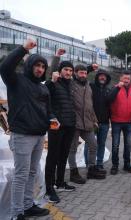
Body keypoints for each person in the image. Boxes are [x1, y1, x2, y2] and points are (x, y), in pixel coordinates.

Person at [0, 39, 59, 220]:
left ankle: (27, 205)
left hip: (39, 135)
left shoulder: (42, 88)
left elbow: (48, 110)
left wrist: (53, 119)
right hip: (22, 135)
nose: (40, 69)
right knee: (21, 174)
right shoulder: (16, 80)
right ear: (29, 65)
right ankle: (17, 213)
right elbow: (4, 67)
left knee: (32, 173)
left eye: (43, 66)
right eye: (37, 65)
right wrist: (24, 49)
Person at [44, 49, 76, 203]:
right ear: (60, 71)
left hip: (70, 125)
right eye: (66, 69)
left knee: (63, 155)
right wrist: (56, 57)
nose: (69, 72)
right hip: (56, 126)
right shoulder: (53, 83)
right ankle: (49, 189)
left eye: (71, 70)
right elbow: (45, 89)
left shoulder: (71, 85)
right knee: (52, 157)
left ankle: (60, 182)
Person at [68, 64, 106, 183]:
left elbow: (90, 106)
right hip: (75, 123)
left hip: (87, 122)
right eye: (81, 73)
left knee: (93, 145)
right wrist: (90, 67)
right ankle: (73, 173)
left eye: (85, 73)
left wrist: (94, 120)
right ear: (75, 73)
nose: (83, 75)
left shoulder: (88, 86)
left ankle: (91, 169)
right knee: (72, 149)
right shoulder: (71, 84)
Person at [108, 71, 131, 175]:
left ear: (130, 79)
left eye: (128, 78)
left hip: (129, 122)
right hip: (116, 122)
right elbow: (109, 99)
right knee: (115, 145)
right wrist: (117, 88)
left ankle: (127, 165)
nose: (126, 80)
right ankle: (115, 165)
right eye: (124, 78)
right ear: (121, 78)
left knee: (128, 145)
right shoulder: (115, 88)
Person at [84, 68, 111, 172]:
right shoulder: (90, 86)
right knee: (89, 144)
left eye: (104, 76)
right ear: (97, 77)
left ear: (107, 78)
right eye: (100, 75)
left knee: (102, 144)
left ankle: (99, 164)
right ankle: (88, 164)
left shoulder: (108, 90)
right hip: (91, 122)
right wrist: (90, 68)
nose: (102, 77)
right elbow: (82, 76)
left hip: (104, 122)